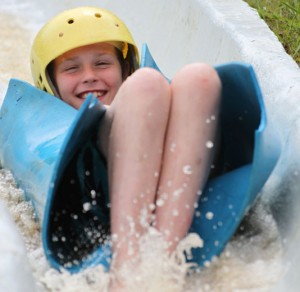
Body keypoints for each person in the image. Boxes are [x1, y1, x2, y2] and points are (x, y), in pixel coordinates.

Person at [31, 6, 221, 279]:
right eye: (72, 68)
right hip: (95, 153)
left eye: (103, 63)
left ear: (125, 70)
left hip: (144, 113)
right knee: (147, 84)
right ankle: (127, 267)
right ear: (48, 83)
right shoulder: (49, 131)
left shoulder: (146, 91)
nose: (89, 75)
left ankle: (165, 257)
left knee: (200, 77)